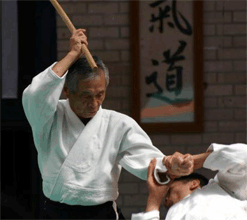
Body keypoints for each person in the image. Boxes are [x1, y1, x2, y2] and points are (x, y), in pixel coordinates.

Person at [22, 29, 193, 219]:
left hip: (101, 213)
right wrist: (72, 55)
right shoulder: (49, 116)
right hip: (55, 213)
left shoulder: (118, 124)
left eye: (100, 94)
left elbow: (150, 161)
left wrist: (170, 164)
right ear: (67, 91)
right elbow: (35, 94)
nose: (94, 103)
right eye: (86, 96)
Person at [131, 143, 247, 220]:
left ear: (194, 183)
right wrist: (154, 201)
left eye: (169, 190)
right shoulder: (172, 215)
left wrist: (193, 162)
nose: (165, 199)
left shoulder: (223, 189)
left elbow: (243, 158)